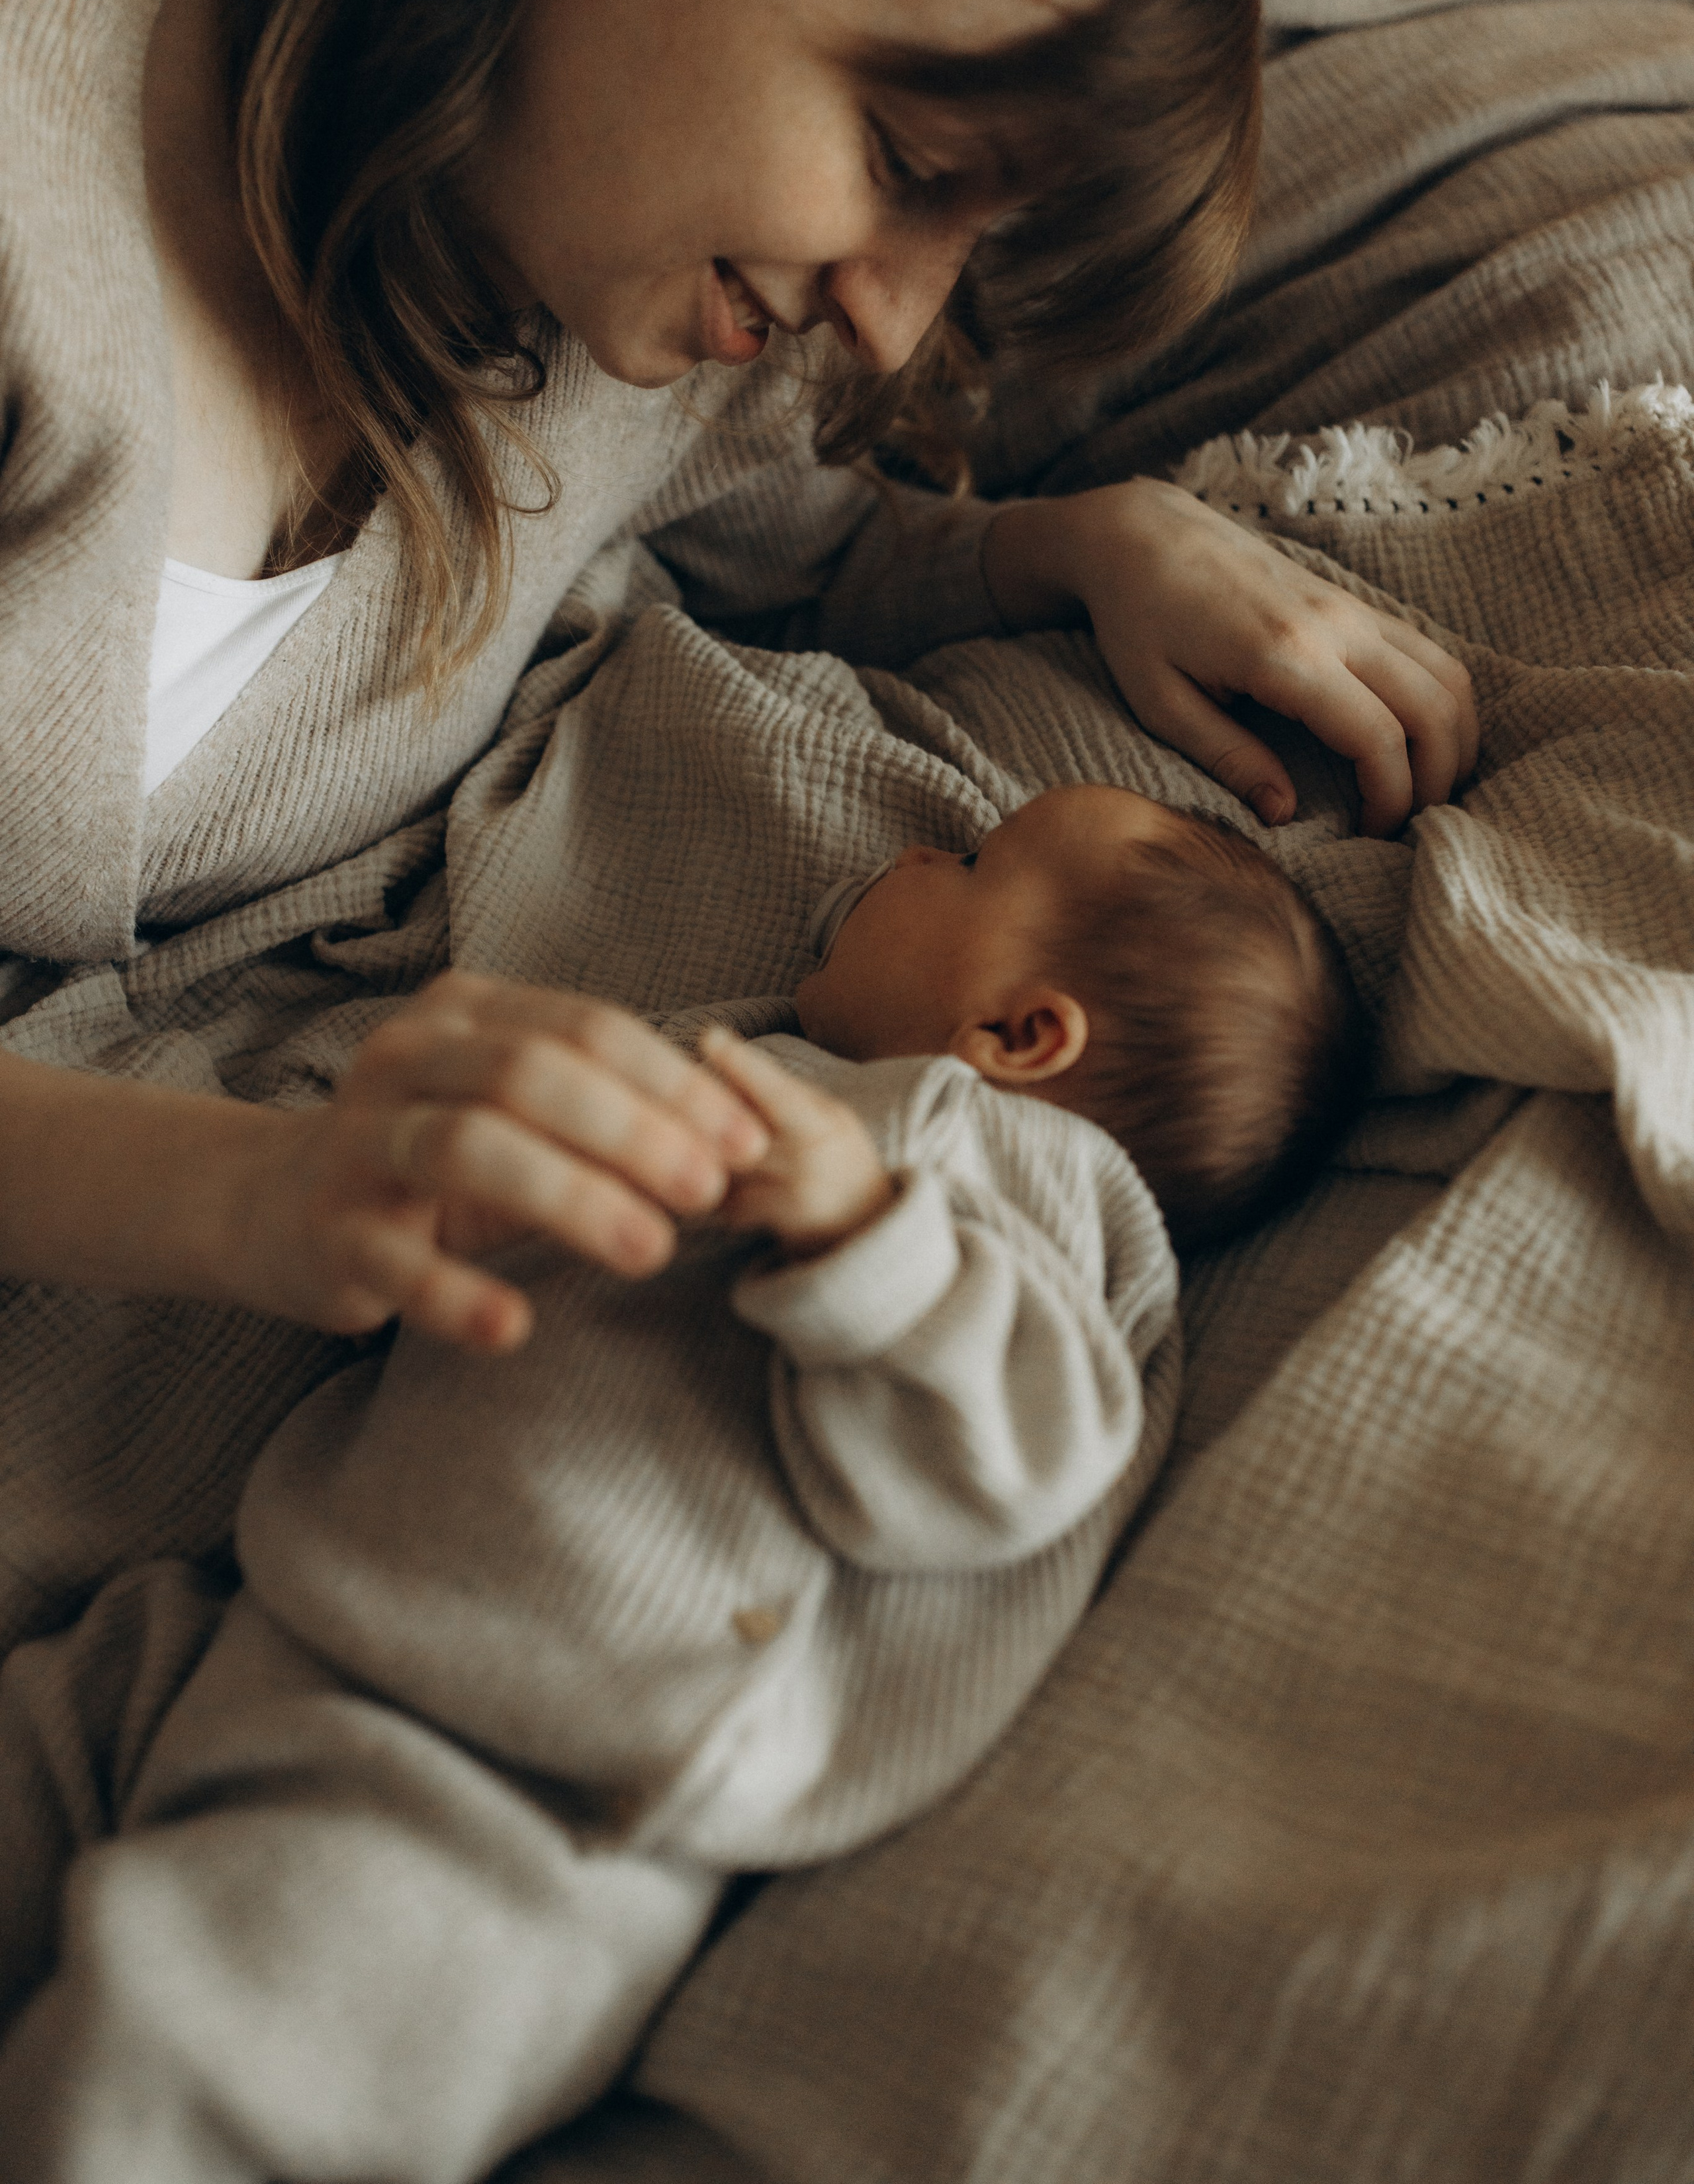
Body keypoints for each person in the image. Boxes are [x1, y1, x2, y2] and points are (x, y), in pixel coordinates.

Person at [0, 0, 1474, 1395]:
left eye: (968, 250)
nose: (894, 323)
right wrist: (252, 1195)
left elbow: (785, 537)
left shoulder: (638, 245)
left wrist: (1080, 541)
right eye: (909, 168)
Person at [0, 785, 1366, 2180]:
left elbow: (1016, 1454)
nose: (908, 850)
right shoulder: (767, 1077)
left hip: (518, 1789)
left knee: (182, 2077)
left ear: (1019, 1035)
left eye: (967, 862)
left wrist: (863, 1231)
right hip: (284, 1613)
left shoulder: (996, 1172)